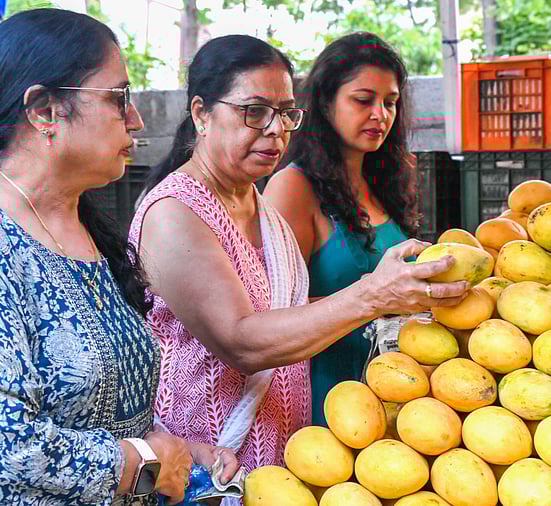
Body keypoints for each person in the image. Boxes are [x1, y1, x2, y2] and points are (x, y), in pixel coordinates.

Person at [130, 34, 466, 472]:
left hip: (281, 454)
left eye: (286, 113)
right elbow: (240, 342)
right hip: (206, 466)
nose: (276, 130)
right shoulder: (174, 212)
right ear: (202, 114)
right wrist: (371, 296)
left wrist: (397, 301)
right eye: (255, 112)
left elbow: (283, 309)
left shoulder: (256, 204)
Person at [0, 9, 237, 506]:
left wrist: (181, 452)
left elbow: (103, 410)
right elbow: (10, 448)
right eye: (118, 98)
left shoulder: (87, 229)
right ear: (44, 110)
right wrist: (144, 464)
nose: (137, 119)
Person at [264, 32, 423, 426]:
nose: (380, 114)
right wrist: (375, 298)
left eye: (390, 102)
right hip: (327, 400)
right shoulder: (293, 188)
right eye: (363, 100)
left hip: (396, 397)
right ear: (325, 102)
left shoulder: (391, 181)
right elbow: (271, 313)